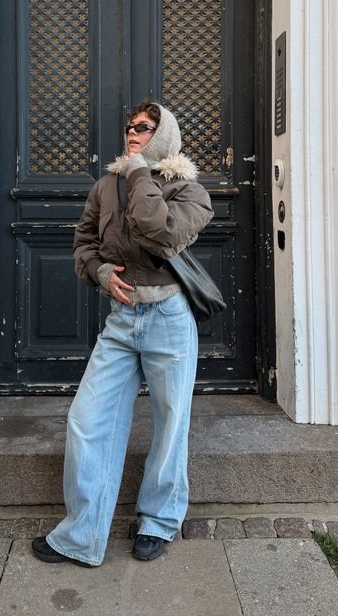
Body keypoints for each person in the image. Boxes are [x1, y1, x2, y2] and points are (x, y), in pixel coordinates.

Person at [32, 100, 214, 567]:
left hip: (169, 318)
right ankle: (81, 535)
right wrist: (98, 272)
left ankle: (158, 521)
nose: (132, 133)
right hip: (121, 320)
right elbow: (84, 243)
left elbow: (160, 234)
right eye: (130, 126)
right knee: (87, 420)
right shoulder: (104, 186)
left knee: (171, 424)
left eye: (145, 128)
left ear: (165, 135)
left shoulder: (190, 192)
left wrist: (138, 176)